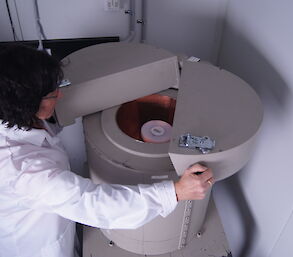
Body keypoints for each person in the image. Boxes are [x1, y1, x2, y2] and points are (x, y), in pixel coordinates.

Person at [0, 44, 214, 257]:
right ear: (30, 103)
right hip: (36, 244)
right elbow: (95, 204)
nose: (61, 95)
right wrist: (176, 192)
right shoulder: (24, 172)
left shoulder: (14, 114)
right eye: (52, 93)